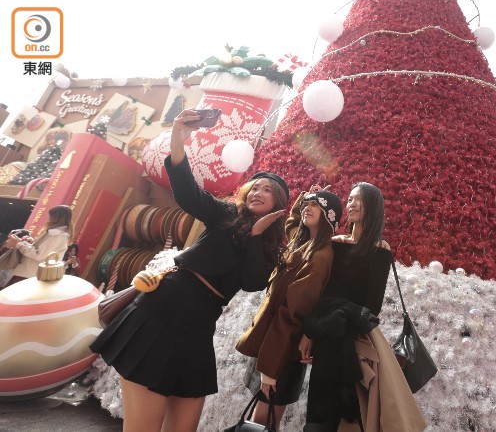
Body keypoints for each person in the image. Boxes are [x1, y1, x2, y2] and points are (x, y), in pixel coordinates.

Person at [90, 108, 289, 432]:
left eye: (267, 189)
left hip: (197, 332)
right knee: (145, 426)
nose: (257, 192)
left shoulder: (268, 248)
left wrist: (254, 238)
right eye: (255, 186)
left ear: (279, 202)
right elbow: (187, 191)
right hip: (161, 314)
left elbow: (253, 283)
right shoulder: (226, 214)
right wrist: (178, 138)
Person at [300, 182, 426, 432]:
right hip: (326, 333)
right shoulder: (333, 243)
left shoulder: (380, 250)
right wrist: (311, 331)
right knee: (318, 413)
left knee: (354, 412)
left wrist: (334, 313)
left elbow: (371, 307)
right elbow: (319, 291)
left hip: (354, 339)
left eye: (360, 200)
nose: (352, 204)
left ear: (374, 208)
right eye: (349, 199)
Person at [236, 185, 343, 431]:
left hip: (281, 354)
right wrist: (306, 197)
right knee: (257, 421)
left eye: (316, 205)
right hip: (270, 347)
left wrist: (271, 369)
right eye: (307, 203)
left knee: (263, 422)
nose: (308, 207)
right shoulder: (303, 241)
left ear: (329, 217)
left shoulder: (319, 257)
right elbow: (293, 222)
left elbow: (290, 316)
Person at [3, 205, 72, 286]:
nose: (49, 219)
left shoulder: (57, 235)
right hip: (31, 274)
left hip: (31, 275)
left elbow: (39, 255)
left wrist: (19, 243)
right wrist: (31, 241)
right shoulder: (57, 234)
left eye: (51, 216)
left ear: (57, 217)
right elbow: (43, 252)